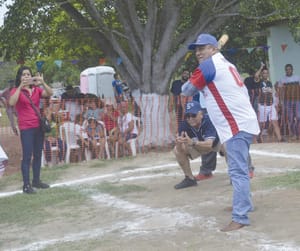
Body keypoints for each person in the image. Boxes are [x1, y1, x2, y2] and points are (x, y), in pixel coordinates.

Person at [181, 34, 260, 232]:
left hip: (235, 125)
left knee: (238, 171)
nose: (198, 52)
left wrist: (192, 77)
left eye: (203, 48)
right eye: (196, 49)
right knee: (238, 167)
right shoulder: (225, 63)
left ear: (214, 48)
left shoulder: (209, 65)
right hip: (241, 122)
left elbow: (187, 90)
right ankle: (245, 204)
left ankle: (240, 216)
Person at [9, 66, 53, 194]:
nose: (26, 76)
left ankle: (36, 181)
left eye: (28, 74)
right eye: (24, 75)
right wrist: (19, 87)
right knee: (27, 156)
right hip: (26, 128)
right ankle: (26, 185)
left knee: (38, 155)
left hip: (38, 127)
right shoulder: (15, 90)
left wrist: (42, 82)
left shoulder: (36, 90)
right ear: (20, 77)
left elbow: (50, 93)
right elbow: (12, 103)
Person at [173, 101, 221, 189]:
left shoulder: (208, 120)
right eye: (187, 116)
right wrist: (179, 144)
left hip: (215, 144)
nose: (190, 118)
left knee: (228, 144)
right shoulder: (184, 125)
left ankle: (237, 173)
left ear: (201, 114)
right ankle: (190, 179)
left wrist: (193, 142)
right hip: (198, 147)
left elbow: (209, 144)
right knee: (176, 150)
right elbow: (180, 150)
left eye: (193, 115)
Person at [254, 64, 283, 142]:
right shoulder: (259, 82)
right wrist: (261, 67)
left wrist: (275, 104)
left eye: (266, 73)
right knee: (261, 124)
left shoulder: (270, 83)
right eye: (264, 73)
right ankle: (258, 137)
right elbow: (256, 75)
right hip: (262, 105)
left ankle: (280, 138)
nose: (265, 74)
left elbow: (271, 94)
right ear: (262, 74)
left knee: (275, 122)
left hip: (271, 105)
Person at [277, 64, 300, 140]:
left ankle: (298, 133)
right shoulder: (282, 79)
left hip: (297, 100)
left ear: (292, 70)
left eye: (290, 69)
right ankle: (294, 134)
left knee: (298, 117)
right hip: (287, 101)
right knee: (290, 118)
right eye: (287, 69)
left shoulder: (297, 78)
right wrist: (280, 101)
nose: (288, 70)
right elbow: (280, 91)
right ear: (285, 70)